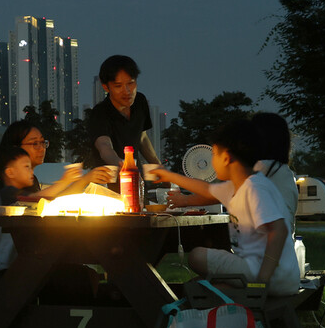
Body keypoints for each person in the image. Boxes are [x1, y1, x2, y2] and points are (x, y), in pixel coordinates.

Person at [152, 120, 300, 296]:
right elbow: (206, 190)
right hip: (277, 275)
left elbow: (279, 230)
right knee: (196, 288)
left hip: (271, 275)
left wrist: (261, 283)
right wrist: (170, 176)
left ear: (227, 157)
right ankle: (235, 291)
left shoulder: (255, 188)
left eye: (214, 153)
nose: (211, 160)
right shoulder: (240, 186)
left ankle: (247, 290)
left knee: (197, 256)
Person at [0, 120, 111, 255]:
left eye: (43, 142)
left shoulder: (30, 181)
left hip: (25, 253)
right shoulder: (6, 184)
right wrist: (66, 181)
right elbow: (37, 200)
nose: (41, 148)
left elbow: (50, 201)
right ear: (15, 148)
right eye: (34, 143)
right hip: (5, 261)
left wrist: (85, 179)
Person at [88, 55, 162, 189]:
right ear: (106, 87)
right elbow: (104, 147)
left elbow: (142, 138)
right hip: (108, 185)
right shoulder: (100, 113)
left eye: (131, 83)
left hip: (136, 181)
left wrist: (159, 167)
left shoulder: (140, 101)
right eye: (118, 86)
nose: (127, 91)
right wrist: (123, 167)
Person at [0, 146, 38, 269]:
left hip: (17, 263)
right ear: (10, 172)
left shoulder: (14, 194)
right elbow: (37, 198)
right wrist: (65, 182)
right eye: (27, 166)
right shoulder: (7, 194)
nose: (31, 171)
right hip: (8, 267)